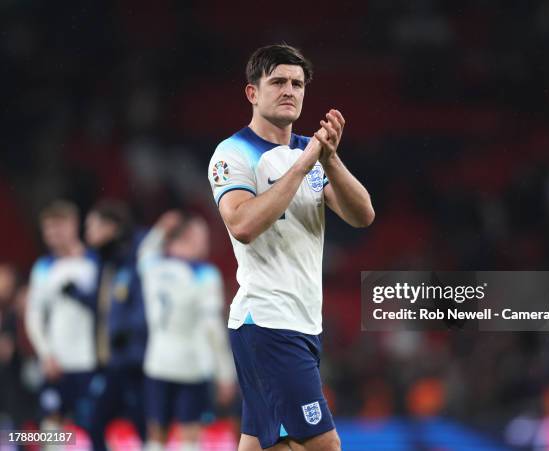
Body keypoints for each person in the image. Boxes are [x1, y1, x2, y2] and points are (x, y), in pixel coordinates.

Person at [207, 44, 375, 451]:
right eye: (278, 81)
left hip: (301, 321)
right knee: (323, 444)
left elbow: (363, 215)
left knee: (268, 444)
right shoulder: (232, 154)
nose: (290, 90)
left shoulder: (312, 153)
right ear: (253, 93)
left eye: (297, 84)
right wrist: (303, 165)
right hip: (266, 319)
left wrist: (329, 159)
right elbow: (242, 224)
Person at [137, 211, 236, 451]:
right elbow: (212, 328)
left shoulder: (154, 267)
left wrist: (160, 228)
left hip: (157, 362)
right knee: (189, 436)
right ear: (189, 237)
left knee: (156, 434)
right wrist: (225, 373)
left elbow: (144, 253)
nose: (206, 240)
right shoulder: (204, 275)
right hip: (192, 365)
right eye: (202, 234)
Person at [24, 200, 98, 435]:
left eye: (58, 226)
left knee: (92, 427)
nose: (52, 234)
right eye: (48, 229)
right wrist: (46, 355)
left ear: (73, 225)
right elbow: (34, 316)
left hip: (90, 360)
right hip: (57, 362)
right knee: (51, 427)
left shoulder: (94, 263)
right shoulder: (43, 267)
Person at [81, 199, 148, 451]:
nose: (87, 235)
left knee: (141, 424)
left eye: (93, 227)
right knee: (95, 421)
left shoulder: (136, 259)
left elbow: (141, 306)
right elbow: (106, 306)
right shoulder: (106, 263)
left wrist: (129, 333)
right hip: (111, 361)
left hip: (133, 361)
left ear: (112, 227)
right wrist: (78, 296)